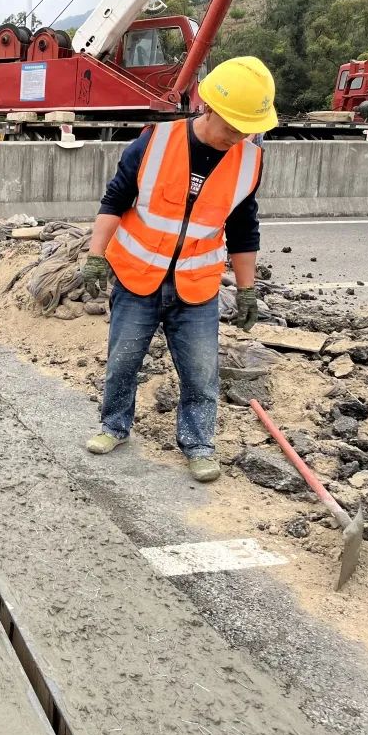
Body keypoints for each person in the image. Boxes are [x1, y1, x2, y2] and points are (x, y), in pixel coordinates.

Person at [81, 56, 277, 483]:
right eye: (233, 127)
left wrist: (247, 290)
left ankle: (199, 444)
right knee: (123, 359)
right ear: (209, 107)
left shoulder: (248, 162)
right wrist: (96, 254)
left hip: (197, 284)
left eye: (247, 129)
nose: (238, 137)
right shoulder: (153, 142)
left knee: (201, 371)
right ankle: (114, 426)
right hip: (138, 277)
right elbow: (115, 199)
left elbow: (244, 229)